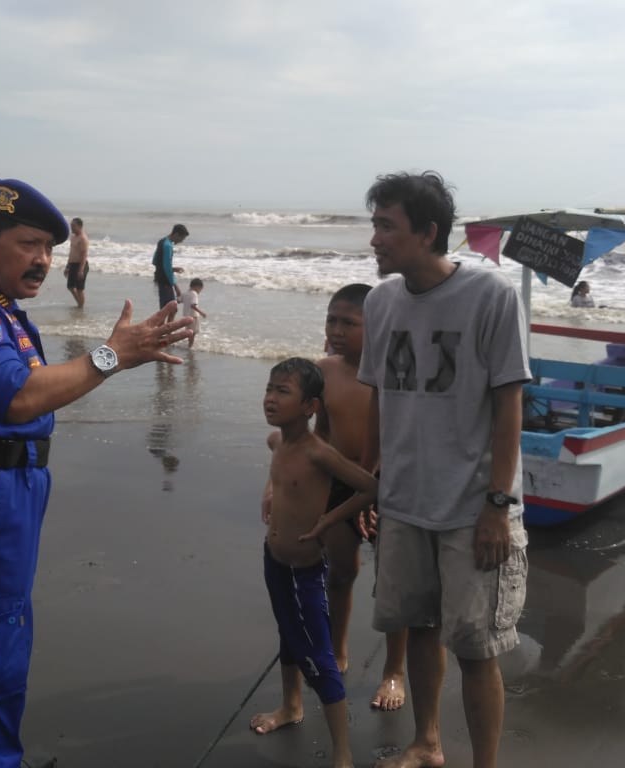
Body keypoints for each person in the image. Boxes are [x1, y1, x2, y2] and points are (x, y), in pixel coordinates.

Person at [0, 177, 194, 768]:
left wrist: (111, 357)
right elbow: (17, 397)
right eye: (29, 244)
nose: (42, 261)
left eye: (49, 250)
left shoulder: (0, 307)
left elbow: (32, 394)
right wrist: (111, 356)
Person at [358, 172, 530, 768]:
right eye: (375, 224)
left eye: (387, 226)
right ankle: (427, 742)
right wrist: (368, 486)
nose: (375, 239)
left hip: (472, 507)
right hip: (405, 503)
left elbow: (510, 405)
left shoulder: (491, 297)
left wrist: (497, 506)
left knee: (477, 648)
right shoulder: (380, 302)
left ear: (428, 232)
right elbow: (380, 399)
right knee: (419, 626)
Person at [252, 356, 378, 768]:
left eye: (282, 392)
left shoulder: (319, 453)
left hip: (304, 570)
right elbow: (280, 473)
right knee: (288, 636)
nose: (270, 398)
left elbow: (370, 487)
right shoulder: (277, 442)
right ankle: (291, 707)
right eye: (269, 389)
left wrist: (330, 518)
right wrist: (269, 488)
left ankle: (342, 754)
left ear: (310, 407)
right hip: (275, 561)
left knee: (320, 659)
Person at [314, 283, 408, 711]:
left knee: (393, 586)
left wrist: (369, 488)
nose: (336, 330)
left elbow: (396, 437)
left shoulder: (393, 374)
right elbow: (320, 434)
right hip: (337, 485)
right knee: (339, 574)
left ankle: (394, 671)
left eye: (348, 323)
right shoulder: (325, 371)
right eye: (332, 320)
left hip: (386, 487)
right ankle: (338, 651)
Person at [153, 223, 188, 313]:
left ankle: (165, 326)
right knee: (171, 309)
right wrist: (176, 287)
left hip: (159, 278)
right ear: (176, 234)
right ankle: (165, 326)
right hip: (165, 280)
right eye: (181, 238)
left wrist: (173, 268)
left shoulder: (162, 241)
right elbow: (167, 268)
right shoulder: (168, 246)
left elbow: (155, 261)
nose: (181, 241)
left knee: (166, 308)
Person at [62, 217, 89, 307]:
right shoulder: (73, 237)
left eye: (73, 226)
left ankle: (80, 307)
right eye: (71, 226)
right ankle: (79, 304)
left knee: (79, 289)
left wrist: (81, 270)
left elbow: (84, 255)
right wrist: (67, 266)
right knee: (70, 287)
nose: (71, 228)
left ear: (79, 226)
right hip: (72, 264)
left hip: (81, 265)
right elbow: (71, 253)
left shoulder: (83, 239)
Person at [182, 278, 207, 347]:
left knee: (189, 332)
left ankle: (189, 345)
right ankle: (190, 347)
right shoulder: (194, 294)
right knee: (193, 333)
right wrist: (201, 312)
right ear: (197, 287)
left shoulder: (185, 293)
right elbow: (193, 305)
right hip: (193, 316)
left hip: (186, 317)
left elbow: (179, 300)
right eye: (200, 289)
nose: (200, 291)